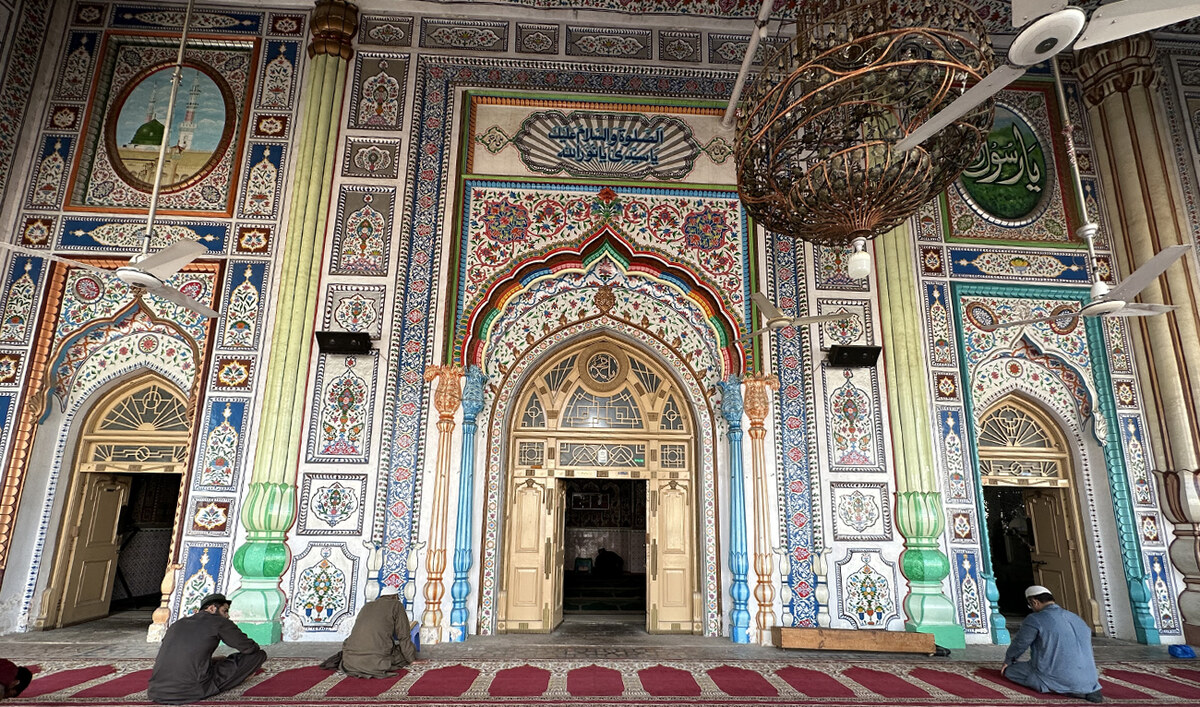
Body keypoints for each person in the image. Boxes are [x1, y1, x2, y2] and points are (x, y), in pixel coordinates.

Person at [147, 593, 267, 704]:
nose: (227, 615)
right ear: (212, 609)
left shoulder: (178, 623)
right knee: (258, 655)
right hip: (191, 690)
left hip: (156, 690)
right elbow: (249, 648)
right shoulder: (218, 621)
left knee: (218, 659)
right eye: (225, 611)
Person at [1002, 585, 1103, 703]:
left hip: (1053, 676)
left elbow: (1020, 644)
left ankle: (1061, 688)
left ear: (1034, 602)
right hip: (1091, 681)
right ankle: (1084, 687)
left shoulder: (1035, 619)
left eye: (1030, 605)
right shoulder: (1076, 618)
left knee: (1010, 671)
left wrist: (1008, 661)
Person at [320, 585, 417, 678]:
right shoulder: (396, 605)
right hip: (375, 662)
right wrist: (411, 660)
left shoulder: (367, 605)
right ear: (395, 596)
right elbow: (403, 636)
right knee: (404, 653)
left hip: (350, 661)